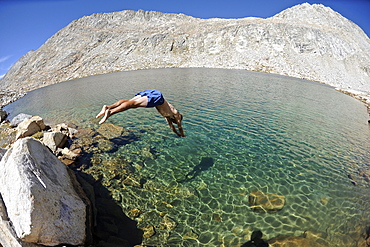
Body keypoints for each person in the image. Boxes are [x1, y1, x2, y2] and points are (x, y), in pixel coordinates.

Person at [96, 89, 186, 137]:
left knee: (132, 102)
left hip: (154, 96)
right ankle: (110, 112)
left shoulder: (168, 117)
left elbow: (172, 127)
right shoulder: (176, 114)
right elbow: (179, 126)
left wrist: (177, 134)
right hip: (157, 99)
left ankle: (108, 107)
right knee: (134, 104)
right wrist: (182, 134)